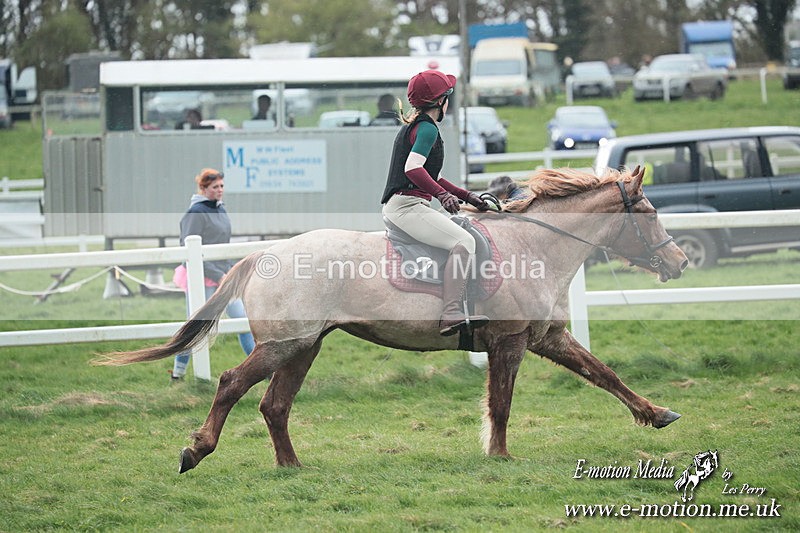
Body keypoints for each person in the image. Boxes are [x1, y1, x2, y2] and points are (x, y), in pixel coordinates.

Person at [380, 69, 492, 336]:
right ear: (440, 101)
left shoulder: (419, 127)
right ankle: (451, 313)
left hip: (408, 206)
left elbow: (434, 177)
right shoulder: (427, 129)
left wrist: (468, 197)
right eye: (448, 96)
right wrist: (442, 196)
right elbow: (413, 169)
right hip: (406, 208)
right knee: (465, 241)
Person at [171, 168, 256, 380]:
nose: (220, 190)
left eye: (221, 186)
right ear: (203, 188)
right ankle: (177, 375)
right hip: (203, 277)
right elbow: (189, 248)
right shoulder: (196, 213)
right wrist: (217, 275)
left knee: (243, 322)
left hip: (223, 276)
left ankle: (260, 372)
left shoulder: (220, 209)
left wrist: (229, 271)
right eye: (215, 187)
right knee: (196, 327)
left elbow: (222, 246)